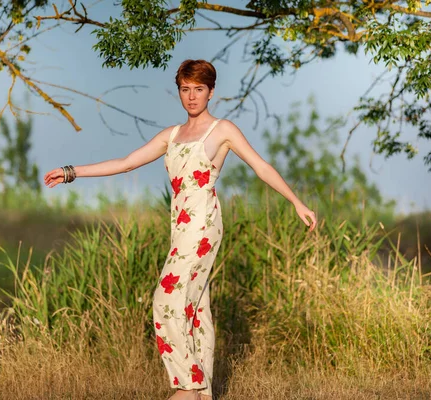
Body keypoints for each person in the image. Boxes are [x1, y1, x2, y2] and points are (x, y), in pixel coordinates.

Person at [43, 59, 317, 400]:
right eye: (185, 89)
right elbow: (126, 163)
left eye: (198, 89)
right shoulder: (171, 136)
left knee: (166, 299)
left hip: (203, 223)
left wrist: (296, 202)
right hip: (181, 223)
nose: (191, 96)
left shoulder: (222, 130)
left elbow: (260, 166)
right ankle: (202, 393)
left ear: (211, 92)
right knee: (196, 306)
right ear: (179, 91)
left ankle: (190, 385)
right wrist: (71, 172)